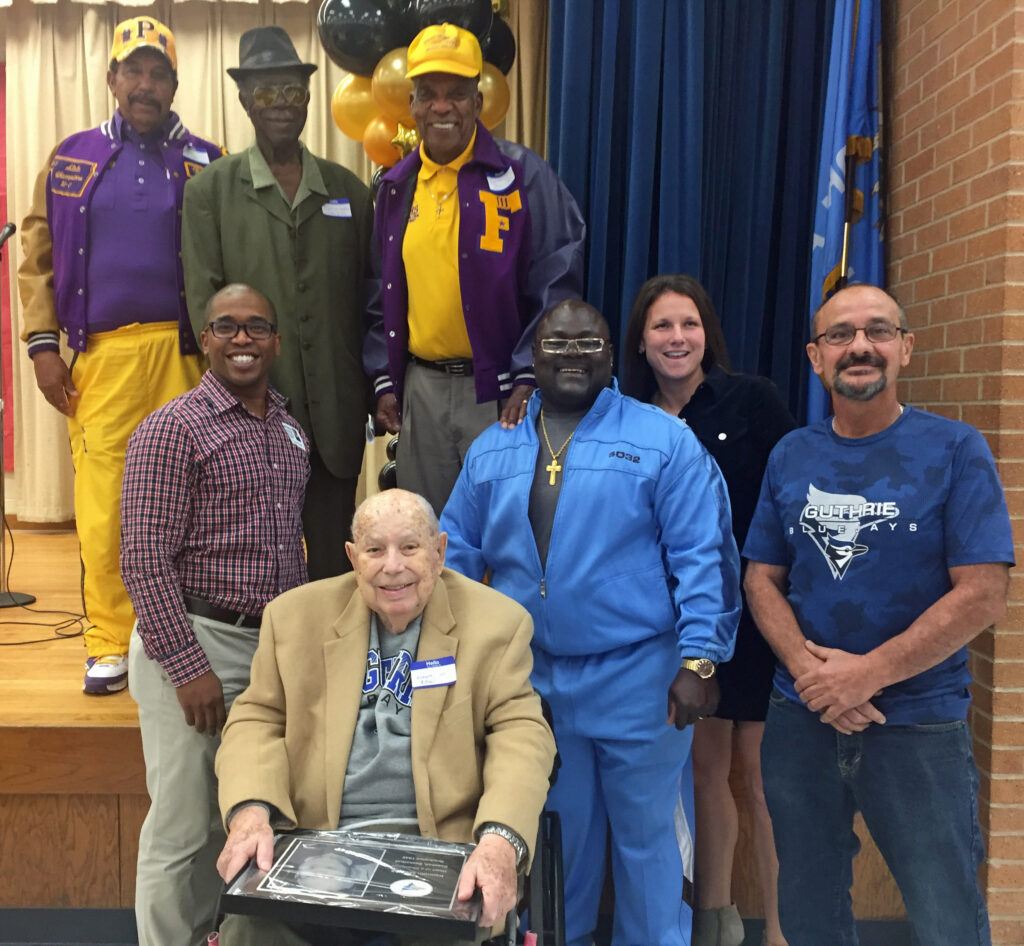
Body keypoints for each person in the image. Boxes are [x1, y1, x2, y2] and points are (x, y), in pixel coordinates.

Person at [441, 300, 741, 946]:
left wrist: (700, 659)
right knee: (555, 846)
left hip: (644, 679)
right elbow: (453, 560)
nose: (573, 357)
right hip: (533, 683)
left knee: (647, 845)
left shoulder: (661, 438)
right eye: (558, 346)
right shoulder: (495, 447)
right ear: (534, 357)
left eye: (588, 345)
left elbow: (704, 553)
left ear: (611, 354)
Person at [743, 284, 1013, 946]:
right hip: (800, 721)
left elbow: (983, 592)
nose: (860, 345)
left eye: (878, 331)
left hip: (916, 724)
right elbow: (760, 578)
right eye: (840, 334)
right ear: (815, 357)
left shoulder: (955, 449)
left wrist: (867, 675)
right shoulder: (790, 455)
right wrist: (814, 674)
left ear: (905, 349)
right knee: (808, 911)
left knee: (945, 910)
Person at [213, 489, 556, 946]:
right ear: (353, 558)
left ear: (439, 552)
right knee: (248, 932)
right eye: (375, 549)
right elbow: (256, 719)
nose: (392, 566)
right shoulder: (295, 617)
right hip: (317, 846)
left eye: (410, 547)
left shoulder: (497, 624)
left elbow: (523, 735)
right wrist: (251, 813)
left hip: (439, 854)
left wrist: (499, 843)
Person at [18, 16, 223, 694]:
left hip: (188, 355)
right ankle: (108, 640)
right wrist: (43, 344)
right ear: (111, 79)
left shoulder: (206, 160)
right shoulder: (71, 156)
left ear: (173, 82)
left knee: (188, 502)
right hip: (102, 356)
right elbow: (37, 257)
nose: (144, 84)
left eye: (156, 72)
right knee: (106, 504)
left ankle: (179, 638)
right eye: (131, 71)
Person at [121, 284, 310, 946]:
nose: (241, 339)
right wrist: (186, 667)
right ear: (204, 338)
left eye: (257, 326)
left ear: (276, 341)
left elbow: (290, 550)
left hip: (267, 653)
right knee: (182, 826)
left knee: (246, 814)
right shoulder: (172, 429)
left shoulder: (289, 430)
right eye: (226, 326)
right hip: (196, 641)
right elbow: (144, 560)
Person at [623, 275, 794, 946]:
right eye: (662, 326)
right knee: (701, 771)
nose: (677, 338)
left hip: (749, 615)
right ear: (641, 339)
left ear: (707, 334)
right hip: (663, 623)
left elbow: (789, 497)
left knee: (759, 776)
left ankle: (782, 930)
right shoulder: (623, 416)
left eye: (688, 325)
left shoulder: (751, 400)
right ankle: (712, 923)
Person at [364, 22, 586, 517]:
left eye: (457, 94)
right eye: (429, 95)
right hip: (419, 390)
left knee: (505, 531)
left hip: (498, 391)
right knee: (428, 531)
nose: (442, 107)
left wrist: (529, 374)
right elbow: (377, 293)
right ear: (413, 105)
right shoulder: (395, 187)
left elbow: (559, 280)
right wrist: (384, 379)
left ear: (479, 102)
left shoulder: (521, 175)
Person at [182, 26, 372, 580]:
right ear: (244, 101)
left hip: (336, 415)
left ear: (310, 98)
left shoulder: (349, 192)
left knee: (336, 563)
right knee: (258, 562)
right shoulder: (210, 193)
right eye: (266, 93)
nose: (281, 106)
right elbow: (205, 310)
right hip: (250, 420)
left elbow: (370, 302)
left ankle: (332, 663)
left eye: (292, 91)